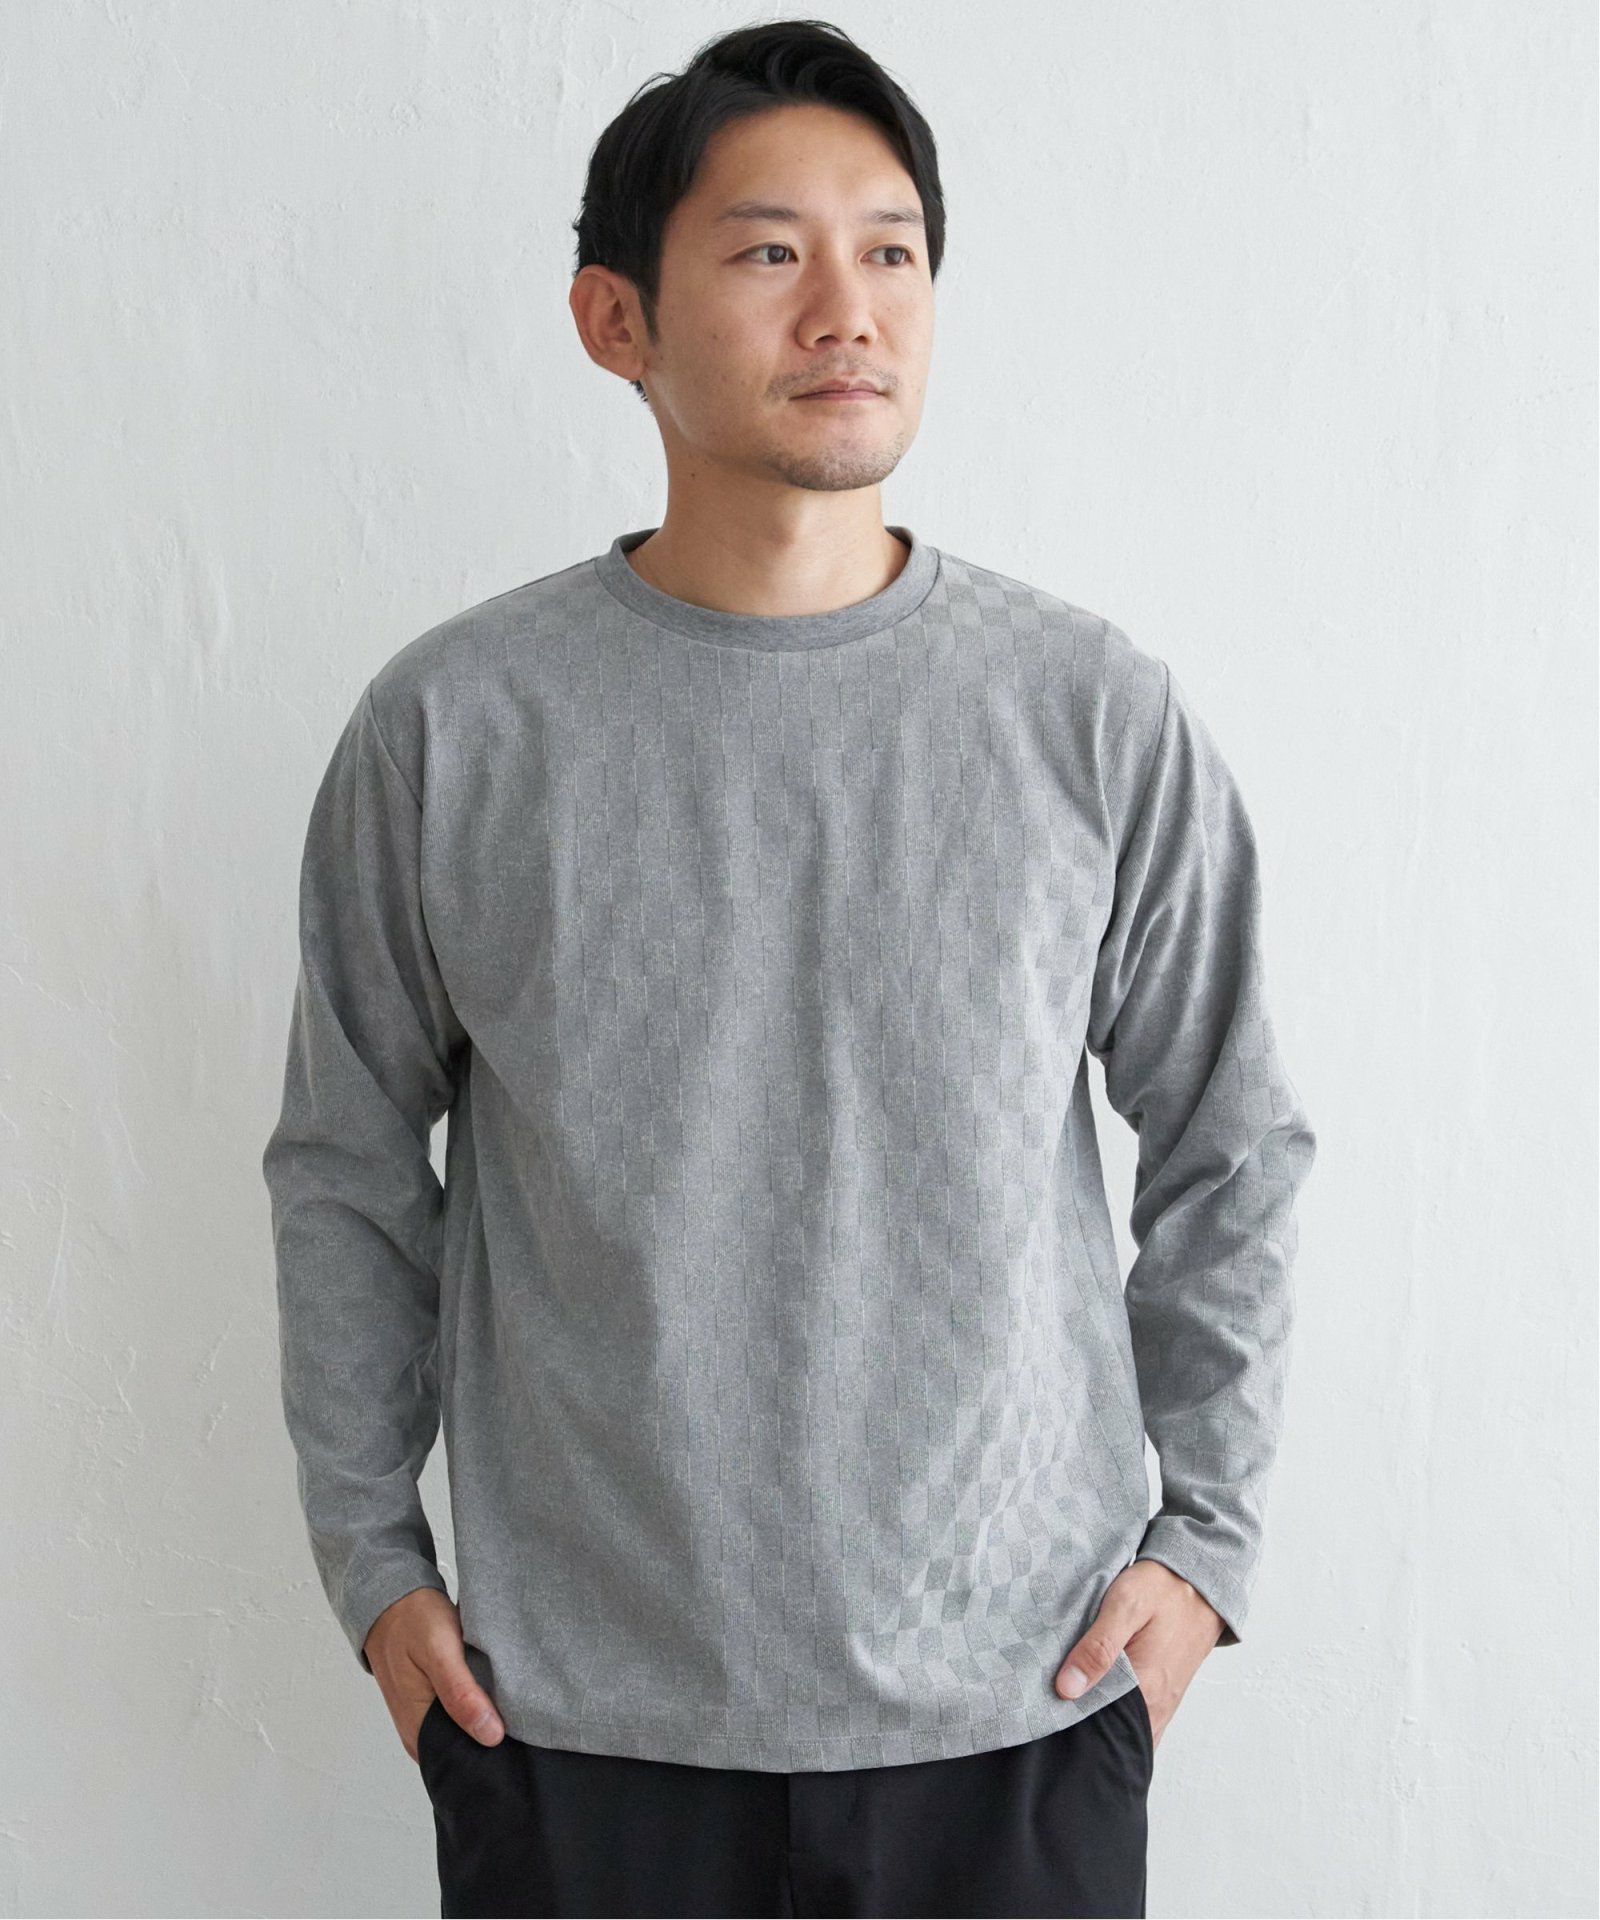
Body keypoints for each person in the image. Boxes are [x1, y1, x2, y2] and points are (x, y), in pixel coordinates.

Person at [261, 20, 1317, 1917]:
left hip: (1020, 1714)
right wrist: (373, 1568)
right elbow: (345, 1168)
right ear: (616, 320)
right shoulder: (454, 731)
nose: (850, 307)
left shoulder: (1088, 716)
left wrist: (1208, 1548)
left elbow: (1234, 1140)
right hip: (577, 1734)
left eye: (892, 249)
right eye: (770, 251)